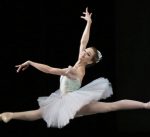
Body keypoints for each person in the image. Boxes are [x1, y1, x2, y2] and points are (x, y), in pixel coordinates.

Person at [0, 7, 150, 128]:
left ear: (90, 61)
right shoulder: (80, 60)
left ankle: (145, 105)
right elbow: (83, 42)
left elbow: (50, 70)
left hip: (73, 102)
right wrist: (89, 23)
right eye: (85, 52)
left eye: (87, 54)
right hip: (65, 99)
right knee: (40, 113)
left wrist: (31, 62)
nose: (83, 53)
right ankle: (11, 115)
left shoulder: (76, 70)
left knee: (111, 107)